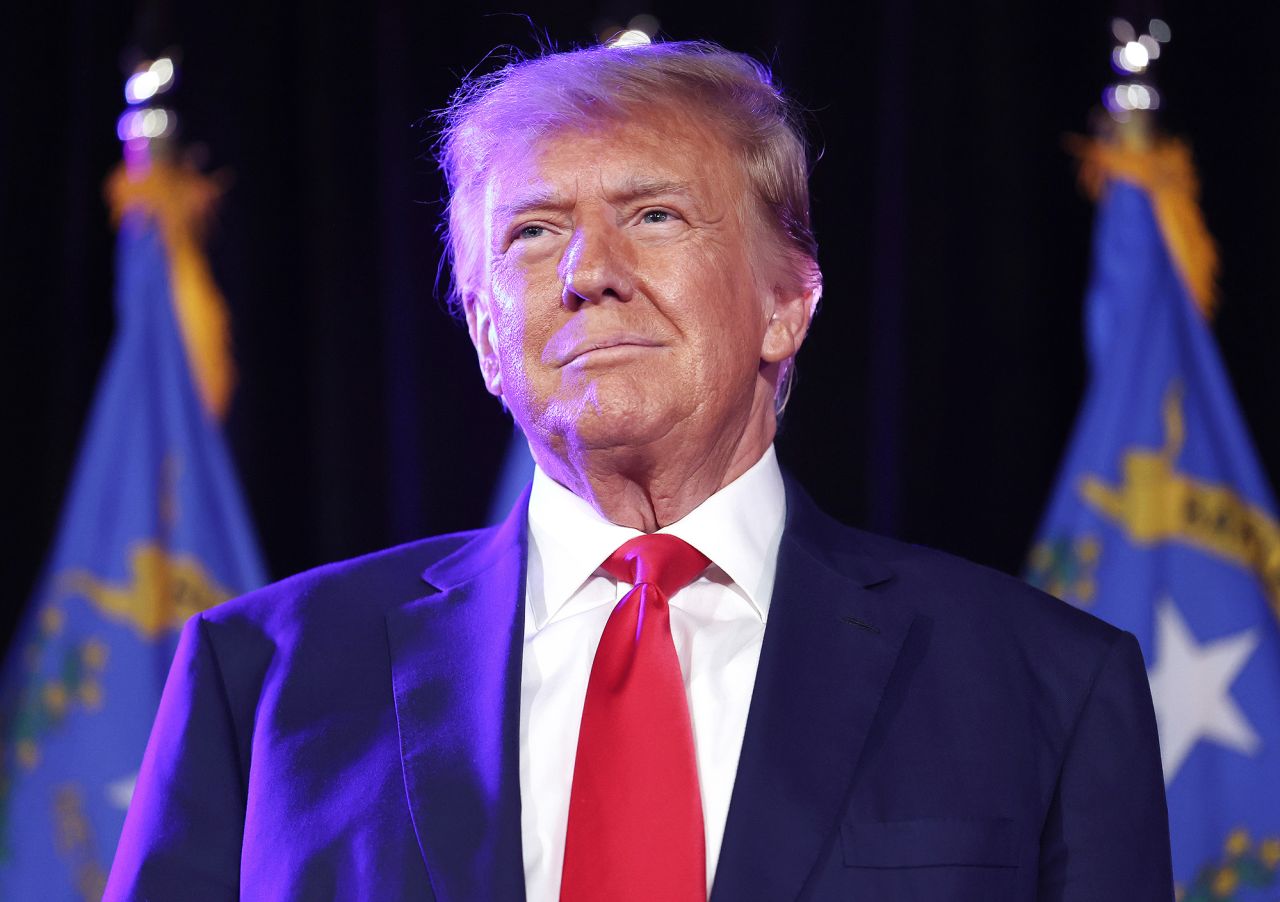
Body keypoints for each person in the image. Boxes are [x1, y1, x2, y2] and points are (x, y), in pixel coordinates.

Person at [105, 40, 1172, 901]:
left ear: (786, 302)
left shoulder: (1047, 683)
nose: (587, 274)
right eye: (531, 232)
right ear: (484, 336)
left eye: (653, 215)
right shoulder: (263, 678)